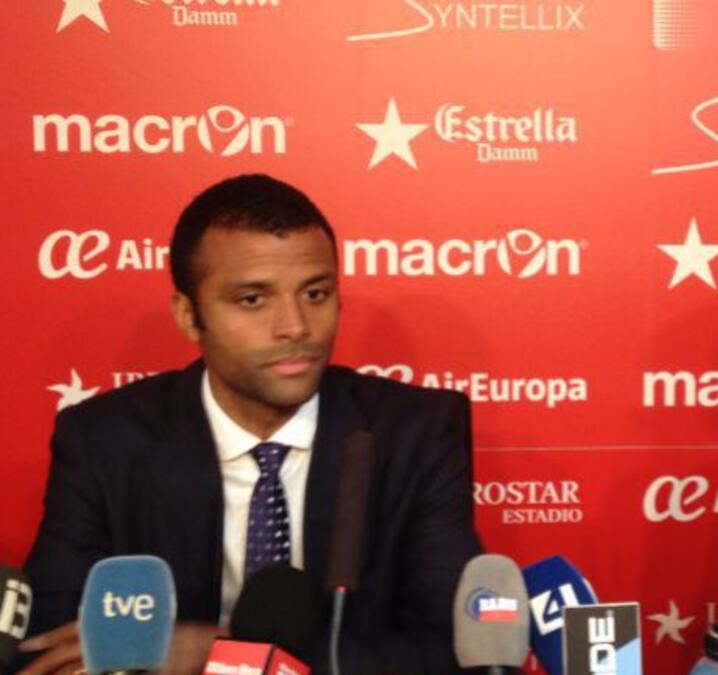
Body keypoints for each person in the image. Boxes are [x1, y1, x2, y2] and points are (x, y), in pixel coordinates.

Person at [15, 174, 482, 675]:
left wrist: (217, 653)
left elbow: (455, 648)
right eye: (253, 300)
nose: (296, 326)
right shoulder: (104, 441)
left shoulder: (416, 432)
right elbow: (53, 641)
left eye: (316, 293)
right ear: (189, 315)